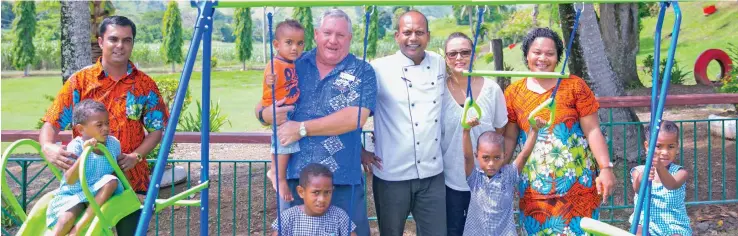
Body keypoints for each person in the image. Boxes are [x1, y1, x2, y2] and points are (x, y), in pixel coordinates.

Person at [40, 16, 169, 235]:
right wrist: (47, 146)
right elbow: (51, 122)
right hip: (85, 186)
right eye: (114, 39)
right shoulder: (80, 81)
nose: (120, 45)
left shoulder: (145, 85)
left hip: (130, 181)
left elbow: (157, 130)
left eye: (127, 40)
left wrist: (135, 156)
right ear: (101, 42)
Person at [256, 9, 376, 236]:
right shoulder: (294, 63)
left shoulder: (362, 71)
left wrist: (301, 129)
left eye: (340, 35)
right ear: (317, 34)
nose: (333, 40)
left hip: (342, 179)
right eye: (328, 33)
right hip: (297, 181)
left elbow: (356, 117)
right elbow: (263, 104)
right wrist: (265, 114)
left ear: (349, 38)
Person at [502, 27, 616, 235]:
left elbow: (592, 131)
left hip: (578, 187)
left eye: (550, 53)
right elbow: (510, 138)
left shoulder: (575, 86)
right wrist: (500, 174)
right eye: (536, 52)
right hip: (534, 190)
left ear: (558, 57)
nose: (542, 58)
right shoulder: (513, 92)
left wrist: (606, 168)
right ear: (527, 54)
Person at [364, 10, 447, 235]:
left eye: (419, 32)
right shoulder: (378, 67)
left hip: (432, 174)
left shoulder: (439, 63)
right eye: (407, 32)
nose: (413, 38)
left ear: (428, 36)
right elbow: (355, 111)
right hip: (392, 174)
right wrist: (359, 149)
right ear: (396, 36)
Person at [439, 32, 508, 236]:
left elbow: (500, 130)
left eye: (465, 52)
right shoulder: (439, 91)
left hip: (485, 178)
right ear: (446, 58)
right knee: (453, 230)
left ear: (474, 55)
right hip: (449, 178)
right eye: (452, 54)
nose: (459, 58)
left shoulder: (492, 89)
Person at [47, 99, 124, 235]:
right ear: (81, 129)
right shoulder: (76, 146)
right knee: (65, 220)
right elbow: (70, 180)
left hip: (98, 192)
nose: (105, 128)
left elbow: (115, 172)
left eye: (107, 123)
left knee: (111, 181)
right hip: (74, 195)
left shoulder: (113, 144)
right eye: (99, 125)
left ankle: (77, 230)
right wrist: (84, 154)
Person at [461, 117, 545, 236]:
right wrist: (466, 131)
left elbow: (524, 155)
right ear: (477, 156)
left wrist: (534, 130)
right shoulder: (475, 178)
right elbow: (467, 157)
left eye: (497, 158)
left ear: (504, 156)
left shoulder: (509, 175)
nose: (491, 163)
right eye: (485, 158)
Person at [261, 19, 306, 203]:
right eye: (289, 43)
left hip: (288, 106)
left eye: (299, 43)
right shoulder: (276, 63)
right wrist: (269, 80)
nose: (295, 47)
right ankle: (278, 177)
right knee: (284, 143)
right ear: (276, 45)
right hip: (279, 107)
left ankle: (275, 170)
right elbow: (268, 80)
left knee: (280, 142)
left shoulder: (292, 62)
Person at [629, 120, 691, 236]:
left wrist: (659, 167)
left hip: (674, 225)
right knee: (637, 233)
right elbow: (637, 189)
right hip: (645, 222)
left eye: (671, 146)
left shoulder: (680, 172)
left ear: (677, 147)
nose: (665, 152)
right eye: (658, 146)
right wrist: (644, 175)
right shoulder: (638, 171)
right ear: (647, 146)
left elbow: (671, 185)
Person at [271, 163, 357, 236]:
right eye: (316, 192)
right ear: (301, 192)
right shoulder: (288, 218)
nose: (322, 199)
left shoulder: (339, 216)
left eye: (327, 192)